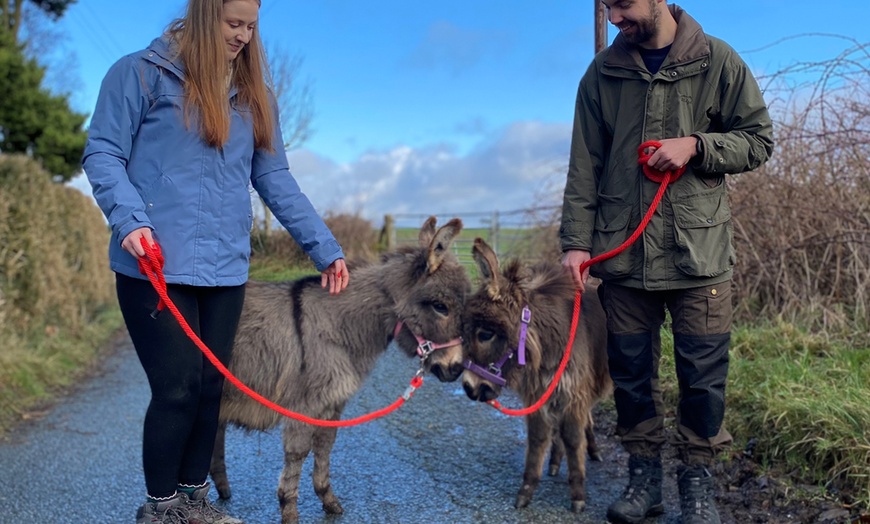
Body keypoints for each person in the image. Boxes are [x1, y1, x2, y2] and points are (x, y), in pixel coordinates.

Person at [82, 1, 349, 522]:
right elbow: (102, 153)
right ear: (206, 16)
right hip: (153, 267)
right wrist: (131, 220)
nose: (244, 36)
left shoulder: (257, 99)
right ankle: (160, 510)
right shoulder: (139, 75)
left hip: (225, 271)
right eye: (234, 24)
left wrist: (325, 247)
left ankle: (193, 501)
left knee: (210, 390)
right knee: (176, 389)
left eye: (252, 26)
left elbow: (275, 180)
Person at [559, 1, 773, 523]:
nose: (614, 18)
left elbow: (759, 141)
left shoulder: (718, 61)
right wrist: (575, 242)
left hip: (699, 255)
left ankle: (697, 483)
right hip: (624, 254)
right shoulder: (601, 74)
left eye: (623, 5)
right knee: (631, 375)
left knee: (703, 377)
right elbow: (584, 163)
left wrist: (696, 146)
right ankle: (644, 480)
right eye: (607, 6)